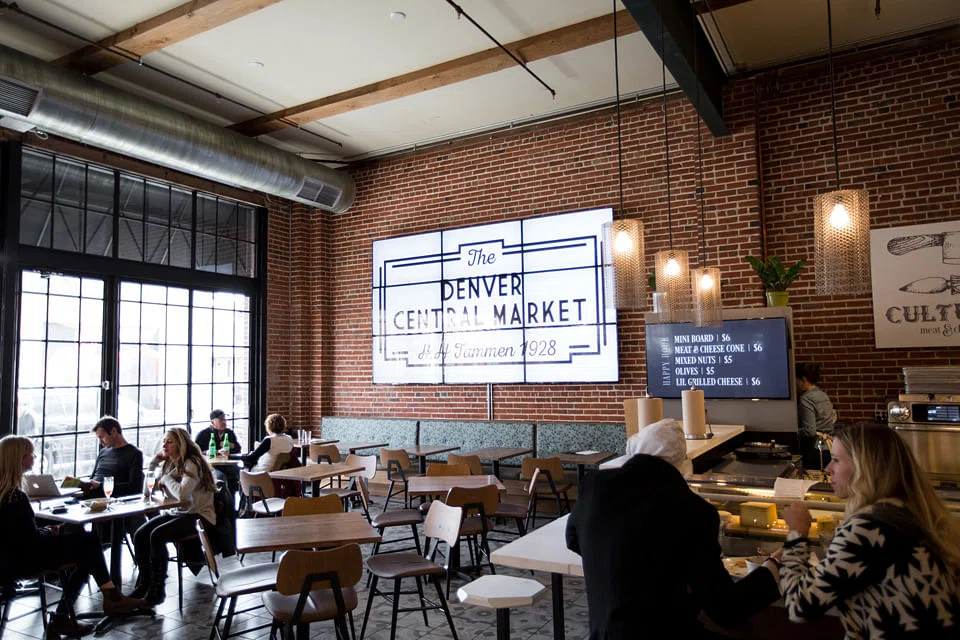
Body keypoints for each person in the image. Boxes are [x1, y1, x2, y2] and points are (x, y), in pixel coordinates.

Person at [566, 419, 781, 639]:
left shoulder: (594, 485)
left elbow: (572, 539)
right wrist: (775, 565)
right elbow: (725, 610)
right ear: (681, 463)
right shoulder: (694, 510)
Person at [780, 422, 960, 639]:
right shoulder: (914, 513)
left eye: (836, 460)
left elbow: (799, 605)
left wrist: (797, 533)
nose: (828, 468)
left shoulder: (869, 527)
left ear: (864, 467)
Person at [0, 436, 144, 637]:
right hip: (25, 560)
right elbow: (30, 540)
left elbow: (17, 533)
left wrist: (46, 530)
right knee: (88, 544)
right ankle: (107, 599)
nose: (34, 457)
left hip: (7, 561)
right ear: (20, 458)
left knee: (86, 551)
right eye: (31, 454)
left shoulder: (6, 494)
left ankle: (100, 601)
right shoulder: (16, 496)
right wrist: (49, 531)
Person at [132, 427, 217, 605]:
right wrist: (153, 465)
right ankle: (144, 583)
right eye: (164, 441)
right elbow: (148, 492)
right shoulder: (172, 464)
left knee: (157, 535)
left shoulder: (192, 463)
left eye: (169, 442)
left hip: (198, 515)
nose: (164, 445)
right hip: (179, 512)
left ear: (181, 444)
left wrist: (165, 479)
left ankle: (157, 589)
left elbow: (182, 494)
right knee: (140, 535)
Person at [75, 416, 144, 499]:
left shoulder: (134, 454)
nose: (100, 442)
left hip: (111, 499)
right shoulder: (103, 452)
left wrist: (100, 486)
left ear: (114, 431)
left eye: (102, 437)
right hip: (90, 496)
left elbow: (134, 487)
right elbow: (93, 478)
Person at [796, 362, 837, 470]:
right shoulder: (823, 395)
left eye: (796, 380)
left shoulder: (806, 399)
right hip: (829, 447)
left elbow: (810, 430)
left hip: (814, 450)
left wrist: (794, 432)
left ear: (803, 379)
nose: (795, 384)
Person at [194, 409, 241, 493]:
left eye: (225, 420)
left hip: (228, 465)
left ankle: (241, 500)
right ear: (212, 422)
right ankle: (224, 500)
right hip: (211, 466)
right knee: (220, 477)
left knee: (240, 475)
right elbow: (196, 451)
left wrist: (231, 447)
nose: (224, 422)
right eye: (221, 420)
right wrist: (207, 452)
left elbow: (238, 449)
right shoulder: (203, 434)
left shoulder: (229, 433)